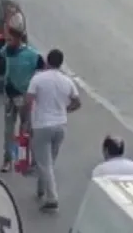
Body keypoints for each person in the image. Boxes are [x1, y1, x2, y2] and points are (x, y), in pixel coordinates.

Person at [26, 48, 81, 211]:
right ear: (61, 63)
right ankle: (41, 189)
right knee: (49, 161)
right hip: (60, 125)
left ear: (47, 61)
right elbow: (77, 102)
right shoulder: (67, 81)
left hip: (42, 125)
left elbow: (28, 100)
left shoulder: (38, 78)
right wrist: (65, 110)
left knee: (44, 162)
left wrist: (27, 121)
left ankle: (52, 198)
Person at [0, 17, 44, 173]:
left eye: (10, 39)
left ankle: (26, 160)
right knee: (8, 131)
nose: (8, 42)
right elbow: (3, 55)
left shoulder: (32, 55)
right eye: (7, 40)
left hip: (23, 97)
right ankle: (8, 160)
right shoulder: (6, 50)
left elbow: (42, 70)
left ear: (18, 39)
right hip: (9, 96)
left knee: (26, 131)